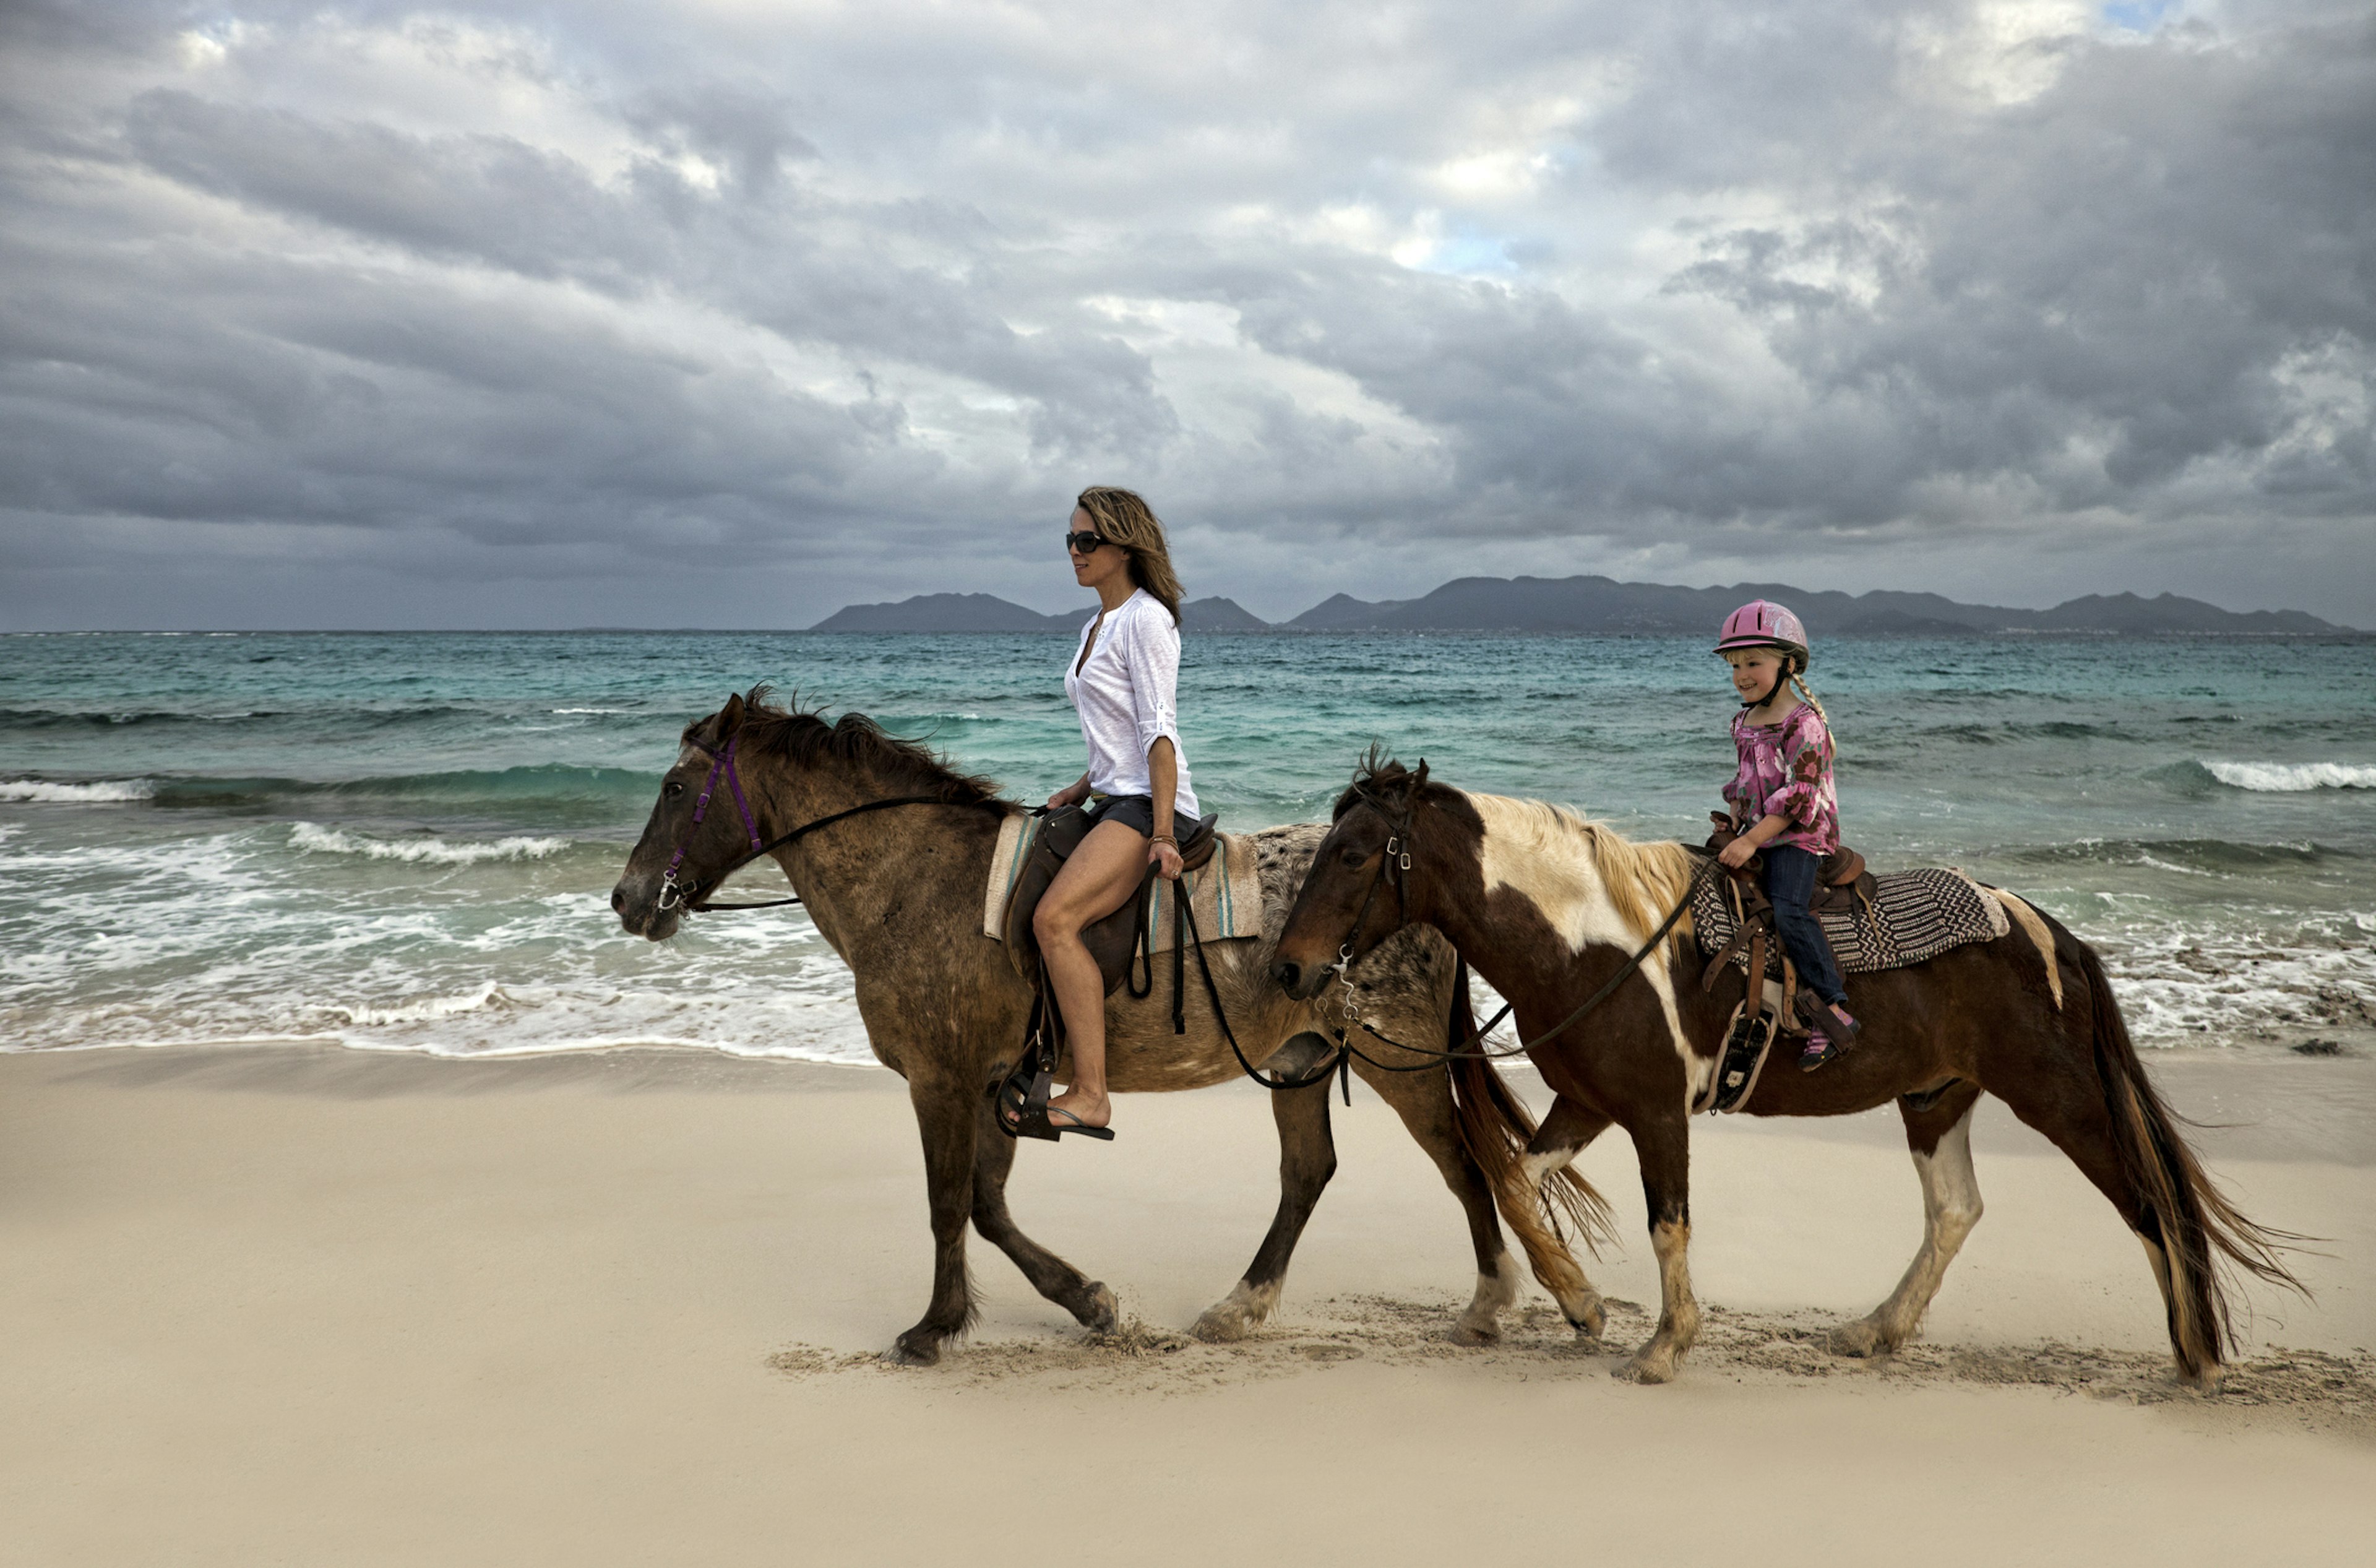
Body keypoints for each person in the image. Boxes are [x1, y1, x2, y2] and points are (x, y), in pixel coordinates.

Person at [1027, 486, 1202, 1137]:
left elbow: (1158, 731)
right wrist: (1083, 783)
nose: (1074, 552)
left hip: (1149, 804)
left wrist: (1161, 831)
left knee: (1056, 919)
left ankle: (1092, 1092)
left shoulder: (1146, 620)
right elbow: (1116, 729)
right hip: (1110, 794)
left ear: (1124, 545)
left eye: (1086, 541)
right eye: (1070, 540)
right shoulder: (1094, 624)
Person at [1711, 600, 1860, 1070]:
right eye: (1735, 665)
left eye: (1754, 662)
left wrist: (1753, 841)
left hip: (1798, 835)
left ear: (1789, 664)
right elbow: (1744, 784)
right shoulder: (1742, 721)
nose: (1742, 675)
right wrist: (1734, 826)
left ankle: (1833, 1005)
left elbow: (1800, 799)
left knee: (1790, 907)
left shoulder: (1804, 723)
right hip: (1757, 829)